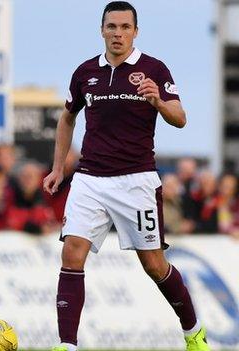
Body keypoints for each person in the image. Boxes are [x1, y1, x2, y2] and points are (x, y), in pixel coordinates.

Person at [42, 2, 209, 351]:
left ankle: (193, 331)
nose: (118, 33)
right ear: (102, 30)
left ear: (135, 31)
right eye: (112, 27)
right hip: (89, 179)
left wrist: (159, 102)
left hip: (136, 181)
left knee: (154, 265)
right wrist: (59, 167)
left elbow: (180, 118)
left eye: (125, 27)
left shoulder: (153, 69)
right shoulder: (86, 72)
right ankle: (66, 345)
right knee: (72, 252)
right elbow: (67, 117)